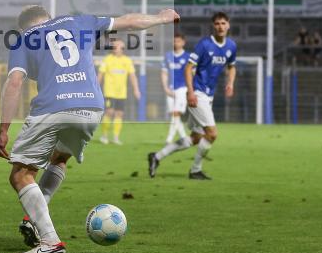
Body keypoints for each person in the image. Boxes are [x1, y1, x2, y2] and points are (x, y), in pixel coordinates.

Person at [0, 5, 179, 253]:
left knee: (21, 175)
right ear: (49, 18)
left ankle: (49, 241)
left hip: (53, 107)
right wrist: (161, 18)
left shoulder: (24, 39)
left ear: (23, 26)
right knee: (59, 157)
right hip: (91, 106)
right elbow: (129, 21)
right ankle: (34, 218)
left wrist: (3, 129)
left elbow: (14, 82)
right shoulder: (79, 22)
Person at [148, 12, 236, 180]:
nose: (220, 26)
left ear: (228, 25)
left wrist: (230, 83)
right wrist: (190, 92)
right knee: (212, 134)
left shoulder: (231, 46)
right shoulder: (204, 45)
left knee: (195, 138)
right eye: (217, 23)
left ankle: (156, 156)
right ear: (213, 26)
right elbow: (188, 68)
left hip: (208, 95)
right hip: (197, 93)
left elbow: (232, 66)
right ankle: (195, 170)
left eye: (223, 23)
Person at [148, 32, 190, 177]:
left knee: (176, 114)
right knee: (174, 116)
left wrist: (190, 90)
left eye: (178, 41)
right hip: (170, 90)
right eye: (174, 41)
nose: (175, 43)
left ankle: (174, 138)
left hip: (182, 88)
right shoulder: (167, 56)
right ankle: (177, 137)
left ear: (183, 42)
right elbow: (164, 73)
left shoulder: (188, 57)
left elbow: (192, 73)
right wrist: (165, 87)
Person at [96, 38, 140, 145]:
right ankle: (104, 136)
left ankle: (115, 137)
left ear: (122, 48)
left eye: (118, 46)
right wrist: (96, 88)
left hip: (121, 93)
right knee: (109, 112)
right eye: (114, 46)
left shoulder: (127, 60)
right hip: (109, 92)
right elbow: (100, 75)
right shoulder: (107, 59)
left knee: (119, 114)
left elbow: (132, 76)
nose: (115, 48)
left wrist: (136, 89)